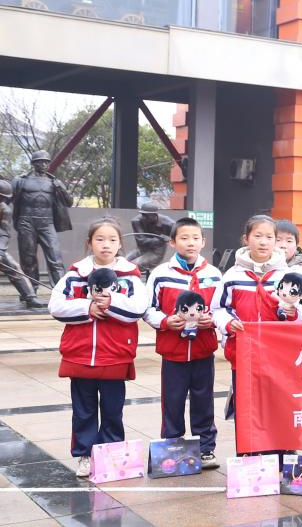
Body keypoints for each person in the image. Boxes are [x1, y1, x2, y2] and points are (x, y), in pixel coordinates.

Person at [48, 218, 149, 477]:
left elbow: (138, 308)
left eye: (112, 240)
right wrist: (87, 308)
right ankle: (85, 455)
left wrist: (111, 301)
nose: (106, 245)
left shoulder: (130, 276)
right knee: (83, 411)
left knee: (113, 411)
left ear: (120, 244)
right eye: (100, 239)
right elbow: (55, 306)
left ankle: (111, 455)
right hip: (80, 355)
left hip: (115, 355)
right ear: (89, 243)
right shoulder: (75, 275)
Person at [143, 217, 223, 468]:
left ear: (203, 242)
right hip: (173, 351)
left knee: (204, 402)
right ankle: (172, 447)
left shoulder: (213, 274)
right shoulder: (161, 274)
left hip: (203, 350)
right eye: (184, 238)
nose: (191, 243)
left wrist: (211, 320)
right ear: (172, 242)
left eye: (196, 238)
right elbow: (148, 308)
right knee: (173, 401)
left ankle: (205, 449)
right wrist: (165, 321)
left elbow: (221, 308)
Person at [211, 215, 290, 424]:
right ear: (246, 239)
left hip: (277, 354)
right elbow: (218, 308)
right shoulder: (232, 275)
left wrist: (292, 312)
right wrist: (228, 323)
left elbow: (299, 310)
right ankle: (246, 445)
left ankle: (276, 444)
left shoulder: (285, 276)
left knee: (276, 405)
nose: (263, 242)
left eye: (269, 237)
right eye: (258, 236)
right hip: (242, 351)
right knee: (246, 405)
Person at [13, 149, 73, 295]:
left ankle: (61, 291)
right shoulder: (21, 180)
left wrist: (61, 188)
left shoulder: (54, 182)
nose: (44, 165)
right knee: (28, 259)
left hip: (47, 223)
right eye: (40, 162)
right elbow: (6, 197)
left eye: (46, 162)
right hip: (26, 222)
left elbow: (69, 202)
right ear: (34, 163)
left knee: (55, 258)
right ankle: (30, 291)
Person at [0, 180, 39, 308]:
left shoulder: (4, 210)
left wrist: (1, 251)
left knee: (13, 267)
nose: (4, 201)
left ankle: (30, 297)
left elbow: (4, 233)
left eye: (4, 198)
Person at [127, 202, 176, 276]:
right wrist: (159, 239)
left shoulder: (169, 223)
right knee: (123, 263)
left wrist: (168, 238)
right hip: (142, 248)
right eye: (142, 215)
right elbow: (141, 241)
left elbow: (178, 236)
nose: (143, 217)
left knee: (134, 266)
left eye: (146, 216)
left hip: (156, 251)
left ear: (154, 215)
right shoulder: (136, 221)